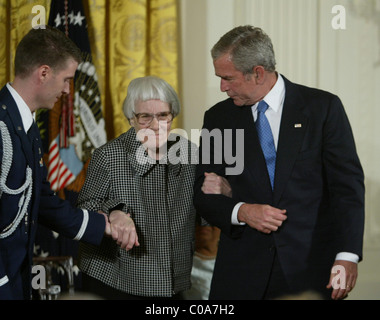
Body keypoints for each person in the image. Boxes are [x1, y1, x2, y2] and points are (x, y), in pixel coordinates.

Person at [193, 25, 365, 300]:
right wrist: (242, 211)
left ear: (258, 73)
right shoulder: (219, 118)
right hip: (241, 272)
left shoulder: (322, 109)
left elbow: (347, 189)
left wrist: (347, 255)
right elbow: (203, 193)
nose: (222, 87)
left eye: (228, 78)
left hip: (309, 269)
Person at [0, 26, 128, 300]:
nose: (69, 91)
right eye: (67, 79)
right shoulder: (1, 126)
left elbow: (39, 200)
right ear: (44, 73)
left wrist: (103, 224)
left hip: (15, 280)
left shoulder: (25, 125)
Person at [77, 76, 197, 299]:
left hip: (172, 278)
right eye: (145, 117)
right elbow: (85, 206)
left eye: (163, 115)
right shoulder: (108, 155)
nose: (155, 125)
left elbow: (204, 208)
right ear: (131, 119)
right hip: (117, 278)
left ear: (172, 116)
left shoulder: (190, 154)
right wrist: (114, 212)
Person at [182, 222, 221, 300]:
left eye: (211, 222)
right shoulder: (179, 265)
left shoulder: (233, 264)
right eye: (199, 222)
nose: (205, 225)